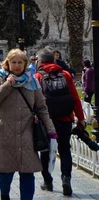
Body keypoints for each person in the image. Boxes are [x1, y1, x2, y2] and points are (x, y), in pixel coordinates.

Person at [0, 48, 56, 200]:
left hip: (27, 132)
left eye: (20, 62)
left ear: (25, 64)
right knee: (5, 171)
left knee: (27, 172)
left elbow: (41, 108)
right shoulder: (0, 77)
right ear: (8, 63)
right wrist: (7, 85)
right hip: (5, 132)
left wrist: (50, 129)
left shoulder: (32, 81)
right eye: (14, 62)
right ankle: (4, 195)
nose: (17, 66)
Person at [35, 46, 85, 196]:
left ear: (41, 61)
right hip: (65, 119)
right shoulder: (65, 75)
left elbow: (35, 101)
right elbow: (75, 99)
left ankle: (48, 181)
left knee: (45, 150)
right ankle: (66, 179)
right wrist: (80, 119)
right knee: (64, 149)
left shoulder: (38, 76)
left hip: (46, 121)